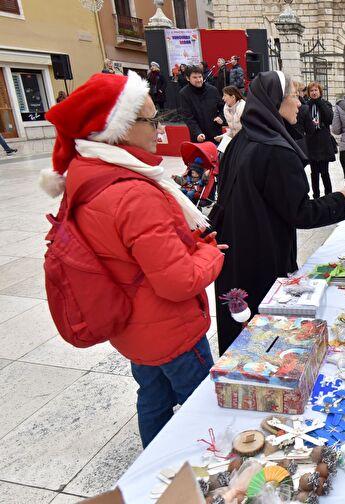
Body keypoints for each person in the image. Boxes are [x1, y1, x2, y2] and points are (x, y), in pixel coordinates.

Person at [41, 72, 224, 447]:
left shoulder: (87, 174)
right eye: (150, 120)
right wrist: (208, 254)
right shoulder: (135, 193)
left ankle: (153, 470)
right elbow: (177, 281)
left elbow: (128, 251)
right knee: (202, 410)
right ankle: (205, 478)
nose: (158, 130)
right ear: (119, 128)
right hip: (170, 328)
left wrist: (181, 243)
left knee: (153, 399)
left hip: (133, 326)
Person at [211, 71, 345, 355]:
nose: (300, 104)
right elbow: (300, 213)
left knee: (240, 332)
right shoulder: (276, 150)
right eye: (294, 96)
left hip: (235, 253)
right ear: (275, 102)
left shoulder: (242, 140)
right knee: (262, 337)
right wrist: (341, 199)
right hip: (262, 256)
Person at [305, 81, 337, 199]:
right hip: (311, 142)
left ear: (320, 92)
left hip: (323, 142)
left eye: (316, 90)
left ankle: (328, 195)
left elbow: (330, 118)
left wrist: (320, 103)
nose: (314, 93)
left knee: (325, 172)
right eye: (312, 91)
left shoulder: (326, 104)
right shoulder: (306, 105)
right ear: (308, 93)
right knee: (314, 173)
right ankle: (316, 195)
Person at [179, 65, 224, 144]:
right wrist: (197, 133)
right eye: (195, 77)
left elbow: (223, 108)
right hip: (198, 137)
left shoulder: (212, 90)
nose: (199, 80)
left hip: (216, 136)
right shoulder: (184, 94)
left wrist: (221, 117)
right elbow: (188, 117)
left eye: (200, 76)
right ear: (187, 78)